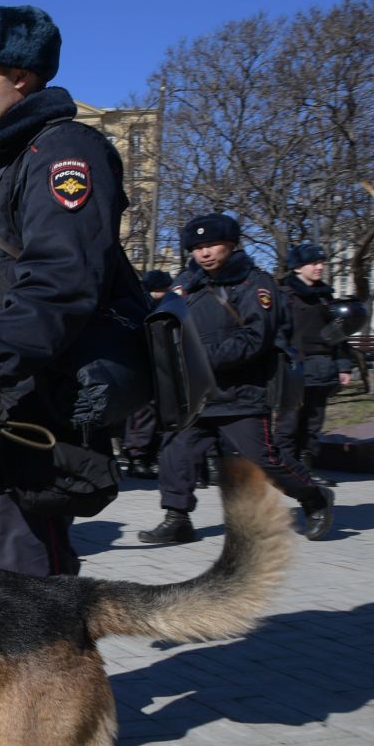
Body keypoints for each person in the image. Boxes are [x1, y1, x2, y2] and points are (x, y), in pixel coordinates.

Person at [0, 4, 150, 577]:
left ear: (20, 75)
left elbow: (62, 275)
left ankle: (44, 662)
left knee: (29, 560)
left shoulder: (64, 151)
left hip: (35, 390)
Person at [140, 214, 335, 545]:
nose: (204, 253)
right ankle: (177, 518)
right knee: (175, 454)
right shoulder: (185, 284)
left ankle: (314, 498)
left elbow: (255, 338)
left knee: (265, 459)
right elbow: (165, 327)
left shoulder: (255, 284)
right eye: (198, 247)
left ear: (230, 245)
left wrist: (200, 359)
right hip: (195, 393)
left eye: (212, 245)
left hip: (241, 393)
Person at [280, 242, 353, 479]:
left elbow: (338, 335)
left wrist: (343, 366)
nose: (320, 267)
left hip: (322, 369)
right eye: (314, 263)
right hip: (293, 369)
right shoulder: (284, 296)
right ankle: (286, 469)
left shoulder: (325, 297)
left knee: (313, 423)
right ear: (298, 267)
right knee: (289, 422)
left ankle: (306, 469)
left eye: (322, 263)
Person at [119, 269, 175, 479]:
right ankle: (137, 458)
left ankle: (146, 457)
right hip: (144, 367)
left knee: (154, 416)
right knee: (142, 415)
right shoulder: (142, 305)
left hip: (159, 367)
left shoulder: (165, 304)